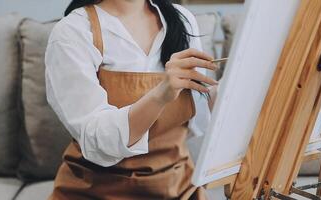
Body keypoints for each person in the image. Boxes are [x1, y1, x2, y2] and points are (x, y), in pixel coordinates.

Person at [45, 0, 217, 199]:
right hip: (95, 191)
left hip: (177, 188)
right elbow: (98, 140)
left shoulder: (182, 19)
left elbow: (197, 123)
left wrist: (221, 95)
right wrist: (160, 96)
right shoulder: (73, 32)